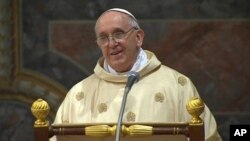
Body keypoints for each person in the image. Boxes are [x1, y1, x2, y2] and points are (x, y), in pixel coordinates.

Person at [51, 8, 222, 141]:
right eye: (104, 38)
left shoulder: (177, 85)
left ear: (138, 37)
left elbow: (207, 136)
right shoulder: (78, 95)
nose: (112, 43)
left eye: (118, 34)